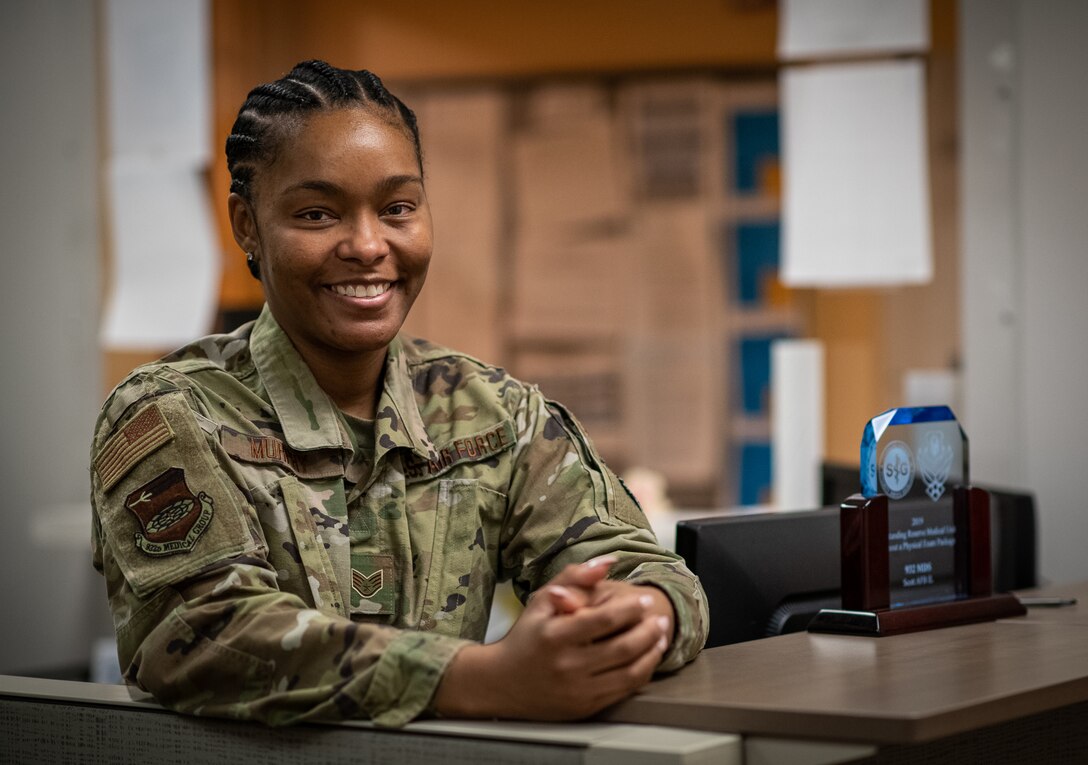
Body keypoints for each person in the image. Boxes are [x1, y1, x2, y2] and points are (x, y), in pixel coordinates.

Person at [90, 60, 708, 728]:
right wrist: (485, 678)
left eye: (397, 209)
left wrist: (637, 614)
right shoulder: (170, 413)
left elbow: (650, 571)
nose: (366, 244)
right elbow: (207, 634)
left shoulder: (497, 413)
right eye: (317, 213)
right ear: (247, 225)